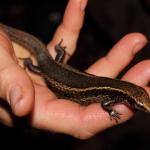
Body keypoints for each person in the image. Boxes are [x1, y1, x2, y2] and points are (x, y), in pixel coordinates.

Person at [0, 0, 149, 139]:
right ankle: (28, 64)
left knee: (50, 61)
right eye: (139, 105)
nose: (142, 108)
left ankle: (58, 52)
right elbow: (105, 104)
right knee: (40, 70)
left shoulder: (120, 91)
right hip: (51, 71)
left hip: (58, 66)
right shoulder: (115, 97)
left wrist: (59, 51)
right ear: (129, 99)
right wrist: (111, 111)